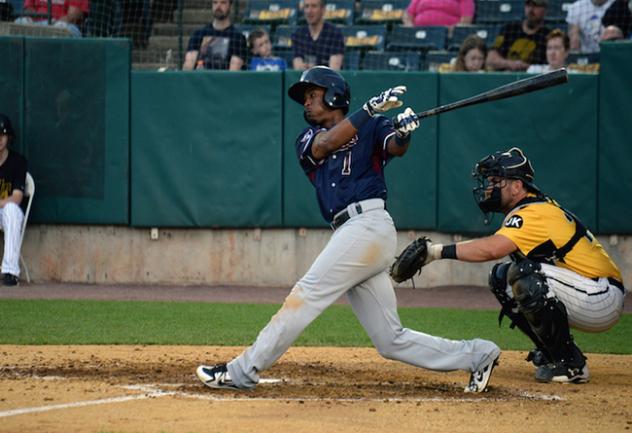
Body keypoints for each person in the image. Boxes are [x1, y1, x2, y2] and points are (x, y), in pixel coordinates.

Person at [195, 66, 501, 393]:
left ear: (334, 95)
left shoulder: (373, 126)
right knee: (390, 340)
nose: (307, 104)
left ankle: (242, 371)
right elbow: (324, 146)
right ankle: (478, 354)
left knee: (306, 295)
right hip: (352, 232)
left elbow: (395, 146)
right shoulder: (308, 138)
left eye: (313, 96)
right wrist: (369, 109)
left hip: (367, 225)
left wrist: (404, 132)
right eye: (306, 99)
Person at [396, 147, 627, 383]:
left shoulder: (533, 212)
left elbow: (492, 248)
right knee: (501, 277)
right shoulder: (531, 208)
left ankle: (570, 365)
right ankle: (553, 353)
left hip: (600, 297)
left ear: (517, 186)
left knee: (526, 274)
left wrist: (436, 252)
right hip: (586, 291)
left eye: (496, 181)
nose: (489, 187)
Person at [0, 114, 28, 287]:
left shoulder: (18, 161)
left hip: (6, 212)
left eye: (1, 135)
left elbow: (17, 197)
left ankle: (10, 272)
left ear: (8, 137)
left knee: (12, 210)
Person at [182, 0, 247, 71]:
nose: (218, 6)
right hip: (199, 80)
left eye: (223, 3)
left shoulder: (238, 37)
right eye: (215, 2)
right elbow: (188, 67)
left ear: (230, 6)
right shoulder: (198, 34)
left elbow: (233, 72)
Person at [486, 0, 550, 71]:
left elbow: (550, 67)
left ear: (545, 10)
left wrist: (525, 67)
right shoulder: (509, 29)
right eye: (528, 5)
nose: (531, 10)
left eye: (536, 6)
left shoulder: (548, 36)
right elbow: (490, 59)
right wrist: (510, 63)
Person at [291, 0, 345, 70]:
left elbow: (334, 69)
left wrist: (314, 69)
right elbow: (298, 67)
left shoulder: (335, 34)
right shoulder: (298, 34)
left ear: (323, 9)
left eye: (314, 6)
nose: (309, 11)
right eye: (306, 6)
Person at [15, 0, 89, 37]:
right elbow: (29, 8)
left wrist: (51, 25)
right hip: (37, 25)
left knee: (63, 28)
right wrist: (29, 18)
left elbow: (74, 15)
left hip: (64, 25)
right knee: (19, 22)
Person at [403, 0, 474, 28]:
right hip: (419, 32)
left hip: (447, 34)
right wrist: (410, 27)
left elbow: (466, 19)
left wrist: (450, 30)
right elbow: (408, 14)